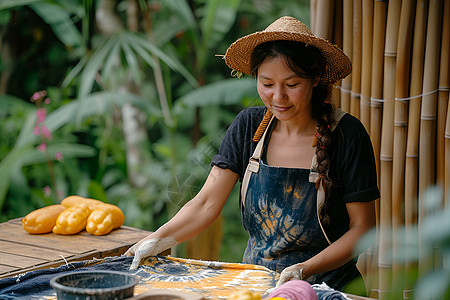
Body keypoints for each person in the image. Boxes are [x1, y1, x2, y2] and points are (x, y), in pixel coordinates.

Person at [125, 16, 379, 292]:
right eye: (267, 84)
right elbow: (205, 204)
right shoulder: (248, 126)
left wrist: (303, 270)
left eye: (292, 85)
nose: (278, 97)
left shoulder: (347, 134)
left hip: (330, 289)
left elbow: (362, 228)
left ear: (315, 79)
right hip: (257, 288)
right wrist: (157, 240)